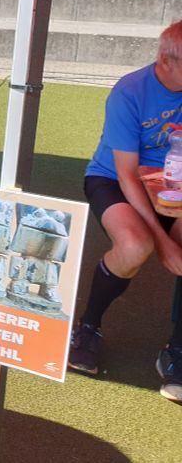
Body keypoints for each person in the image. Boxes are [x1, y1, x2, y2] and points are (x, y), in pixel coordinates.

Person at [69, 20, 182, 402]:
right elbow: (127, 174)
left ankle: (177, 351)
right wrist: (162, 243)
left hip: (172, 186)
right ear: (165, 60)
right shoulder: (129, 91)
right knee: (135, 247)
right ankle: (88, 326)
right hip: (114, 179)